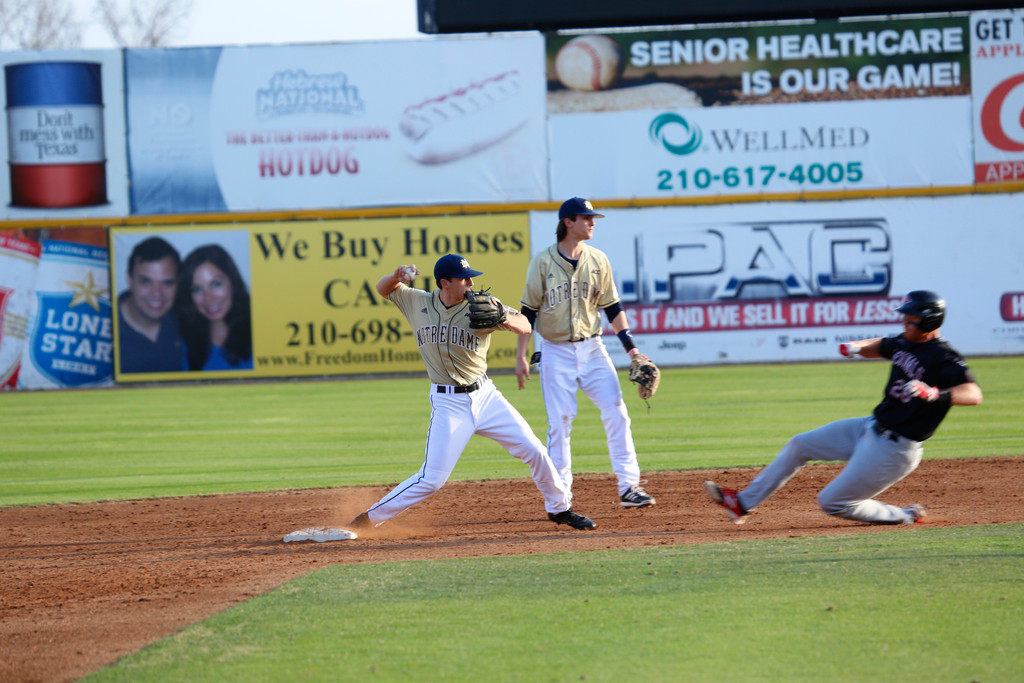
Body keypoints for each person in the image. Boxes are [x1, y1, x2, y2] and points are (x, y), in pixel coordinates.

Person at [347, 254, 596, 532]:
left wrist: (503, 317)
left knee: (535, 450)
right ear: (445, 283)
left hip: (486, 397)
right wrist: (396, 276)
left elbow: (525, 324)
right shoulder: (417, 301)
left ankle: (559, 508)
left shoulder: (483, 304)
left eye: (471, 277)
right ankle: (367, 520)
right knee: (431, 479)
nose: (470, 282)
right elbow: (384, 289)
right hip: (449, 403)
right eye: (464, 278)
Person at [705, 290, 983, 526]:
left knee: (831, 502)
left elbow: (973, 393)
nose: (905, 320)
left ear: (928, 321)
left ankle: (904, 515)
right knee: (799, 445)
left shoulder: (944, 358)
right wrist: (856, 347)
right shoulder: (905, 341)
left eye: (911, 317)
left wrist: (934, 393)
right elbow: (882, 345)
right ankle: (741, 503)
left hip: (895, 450)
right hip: (869, 427)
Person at [516, 197, 655, 509]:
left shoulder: (598, 260)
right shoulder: (543, 262)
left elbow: (613, 308)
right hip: (555, 351)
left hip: (593, 348)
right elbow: (528, 313)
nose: (592, 223)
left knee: (617, 411)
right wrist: (522, 356)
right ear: (568, 222)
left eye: (592, 218)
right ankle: (561, 495)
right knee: (560, 422)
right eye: (586, 218)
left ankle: (629, 487)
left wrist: (632, 350)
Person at [176, 244, 253, 371]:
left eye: (216, 284)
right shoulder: (182, 347)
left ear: (232, 281)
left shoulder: (260, 333)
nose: (208, 298)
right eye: (197, 289)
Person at [117, 236, 184, 373]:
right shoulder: (104, 330)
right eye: (146, 282)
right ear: (129, 280)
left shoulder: (187, 318)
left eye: (167, 283)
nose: (157, 293)